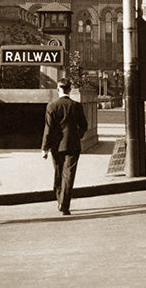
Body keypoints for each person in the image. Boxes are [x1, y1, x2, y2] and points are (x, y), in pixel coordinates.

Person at [42, 78, 88, 216]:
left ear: (58, 89)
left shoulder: (51, 106)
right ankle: (65, 205)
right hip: (73, 144)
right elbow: (84, 126)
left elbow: (48, 129)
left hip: (57, 145)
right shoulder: (77, 106)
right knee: (69, 175)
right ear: (70, 89)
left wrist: (45, 148)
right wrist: (77, 136)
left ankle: (59, 200)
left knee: (58, 172)